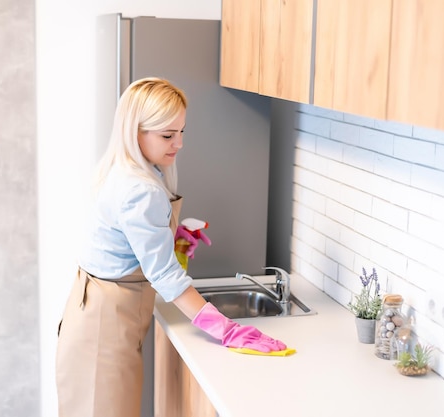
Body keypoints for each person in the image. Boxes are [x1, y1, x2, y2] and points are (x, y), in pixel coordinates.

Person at [55, 77, 286, 417]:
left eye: (182, 132)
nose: (178, 143)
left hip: (94, 309)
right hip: (104, 325)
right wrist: (226, 329)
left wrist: (168, 239)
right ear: (136, 132)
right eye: (167, 135)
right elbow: (164, 275)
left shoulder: (130, 169)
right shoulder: (140, 188)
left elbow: (128, 239)